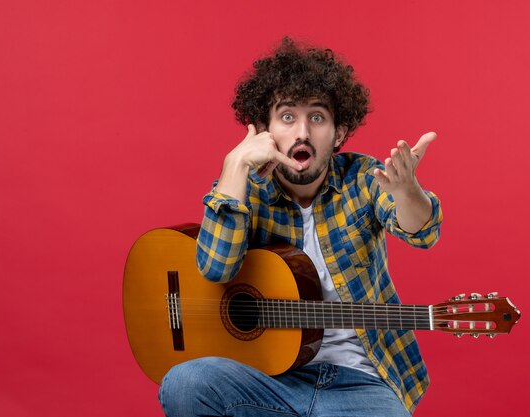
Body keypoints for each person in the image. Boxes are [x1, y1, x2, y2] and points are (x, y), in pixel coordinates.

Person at [158, 37, 442, 417]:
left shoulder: (364, 178)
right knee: (185, 382)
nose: (302, 133)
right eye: (288, 117)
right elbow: (214, 268)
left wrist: (408, 192)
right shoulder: (244, 191)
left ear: (339, 133)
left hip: (361, 383)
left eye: (318, 118)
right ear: (265, 129)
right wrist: (234, 166)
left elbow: (423, 232)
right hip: (270, 380)